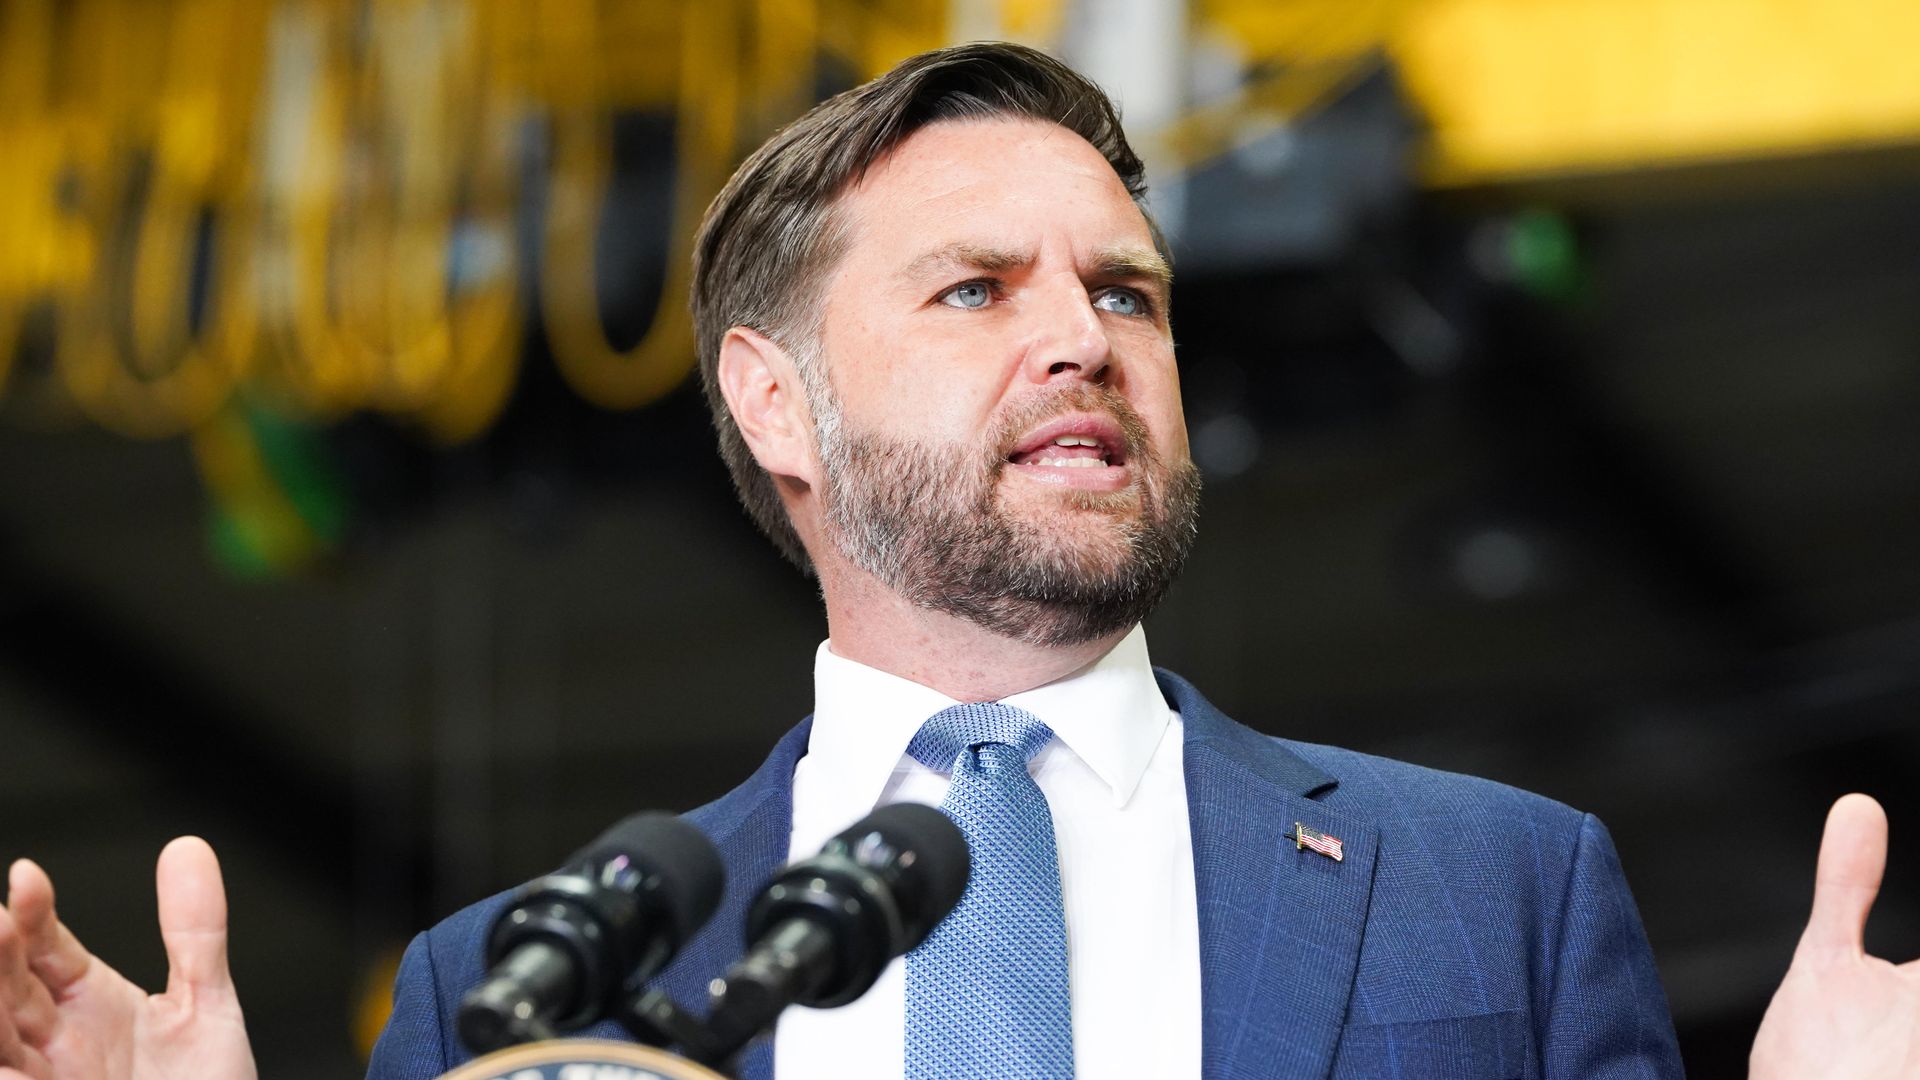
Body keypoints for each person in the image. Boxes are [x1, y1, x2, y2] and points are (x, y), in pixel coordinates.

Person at [1, 41, 1915, 1080]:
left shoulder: (1497, 889)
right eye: (975, 289)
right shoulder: (513, 989)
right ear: (773, 403)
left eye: (1127, 294)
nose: (1081, 337)